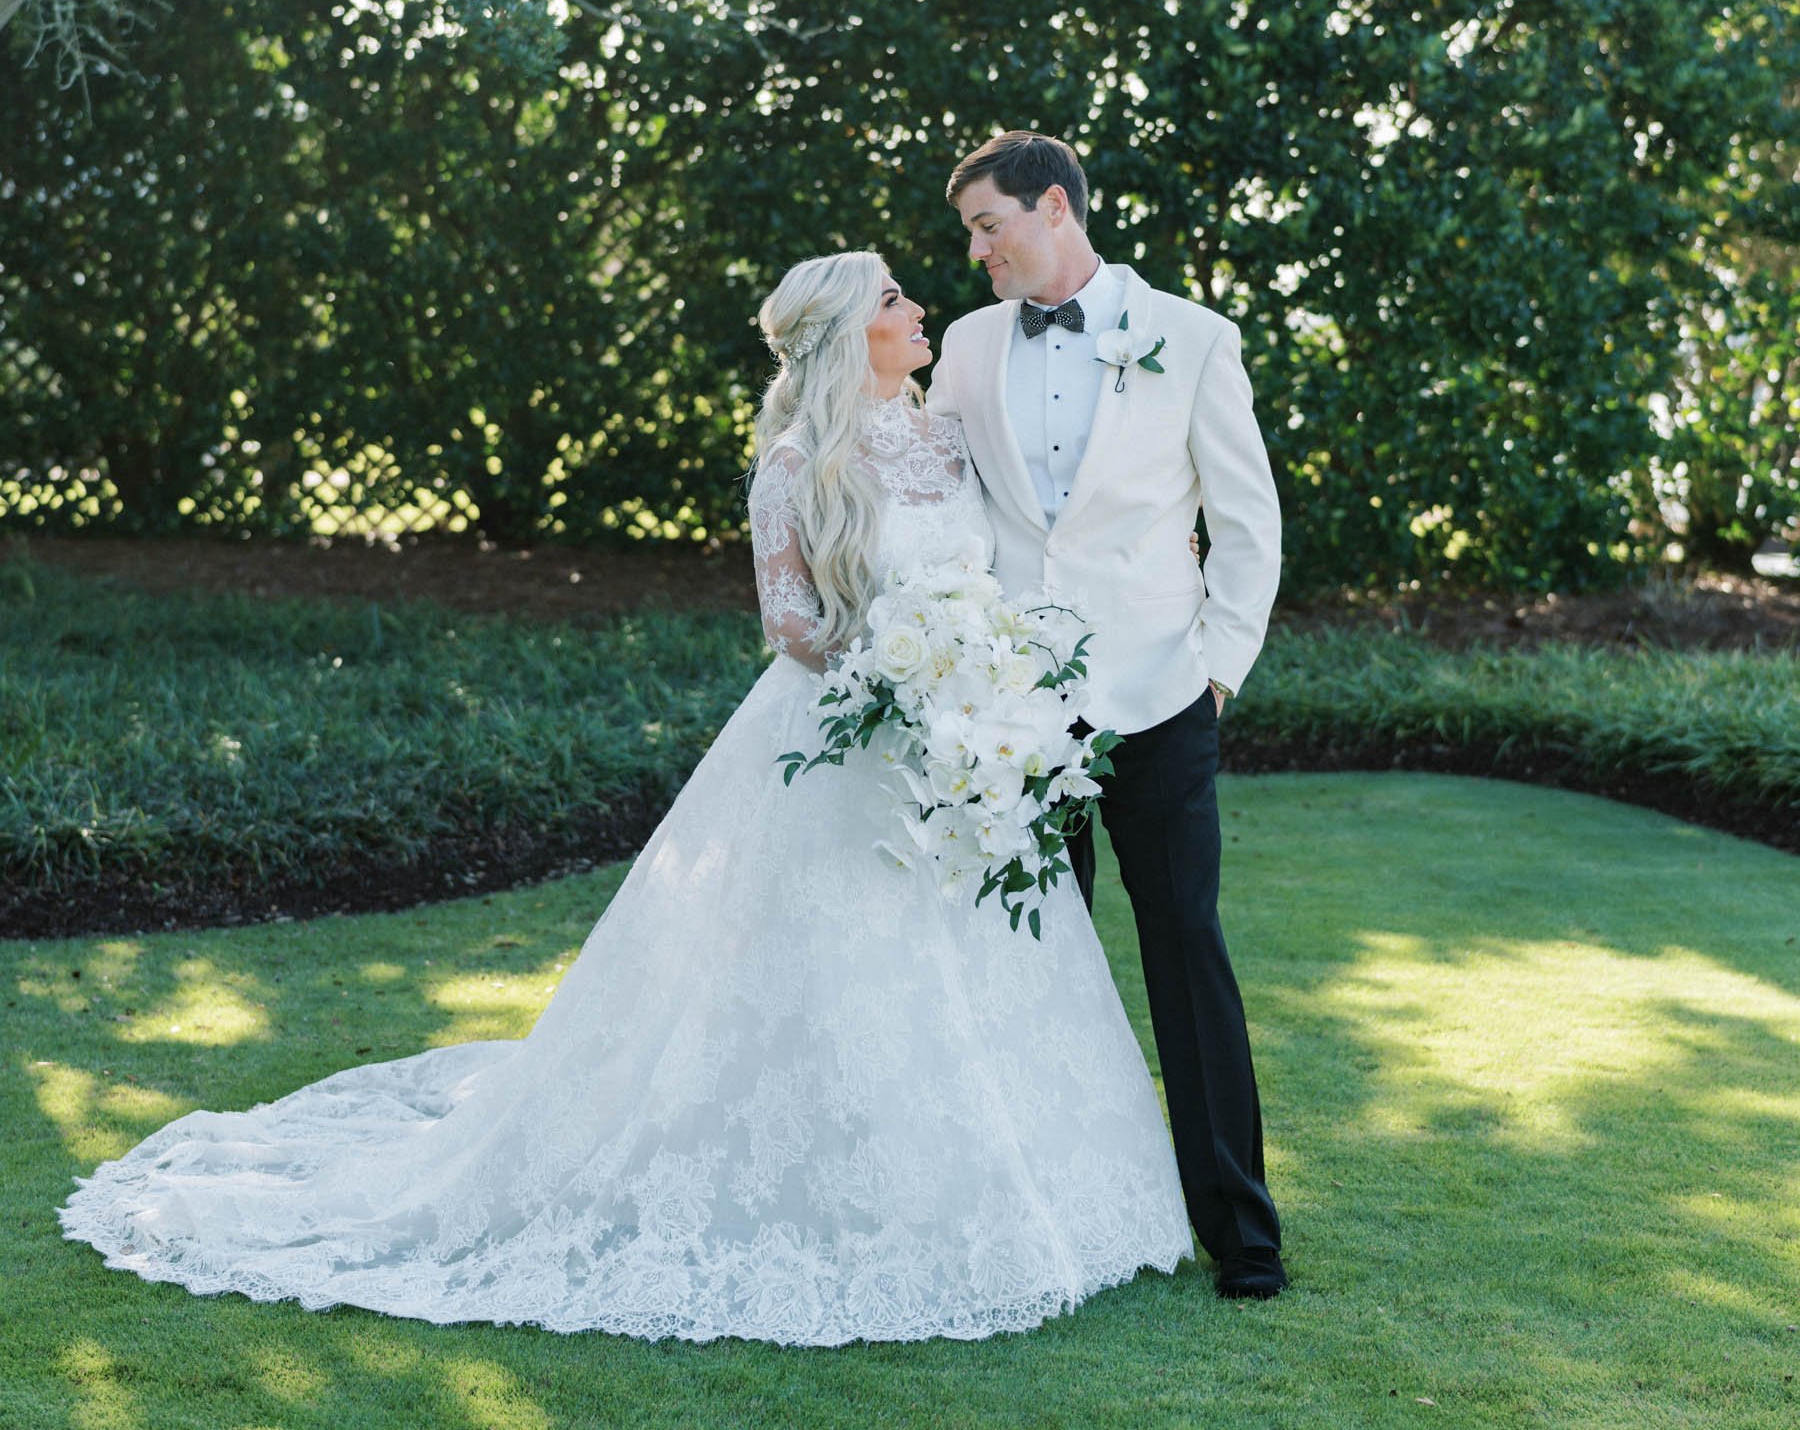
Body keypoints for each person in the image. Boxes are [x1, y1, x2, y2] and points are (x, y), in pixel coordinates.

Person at [60, 251, 1191, 1345]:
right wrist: (903, 672)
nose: (918, 305)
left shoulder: (945, 435)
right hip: (848, 739)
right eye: (895, 296)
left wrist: (981, 678)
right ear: (853, 332)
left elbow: (1011, 563)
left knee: (972, 969)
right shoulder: (799, 461)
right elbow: (789, 623)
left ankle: (1003, 1190)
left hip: (957, 757)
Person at [927, 132, 1289, 1301]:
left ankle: (1240, 1229)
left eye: (989, 226)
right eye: (971, 234)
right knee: (1036, 959)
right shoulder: (972, 350)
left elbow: (1247, 524)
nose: (977, 252)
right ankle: (1050, 1218)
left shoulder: (1193, 337)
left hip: (1160, 699)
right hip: (1017, 714)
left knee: (1187, 950)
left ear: (1055, 207)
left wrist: (1217, 671)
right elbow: (948, 507)